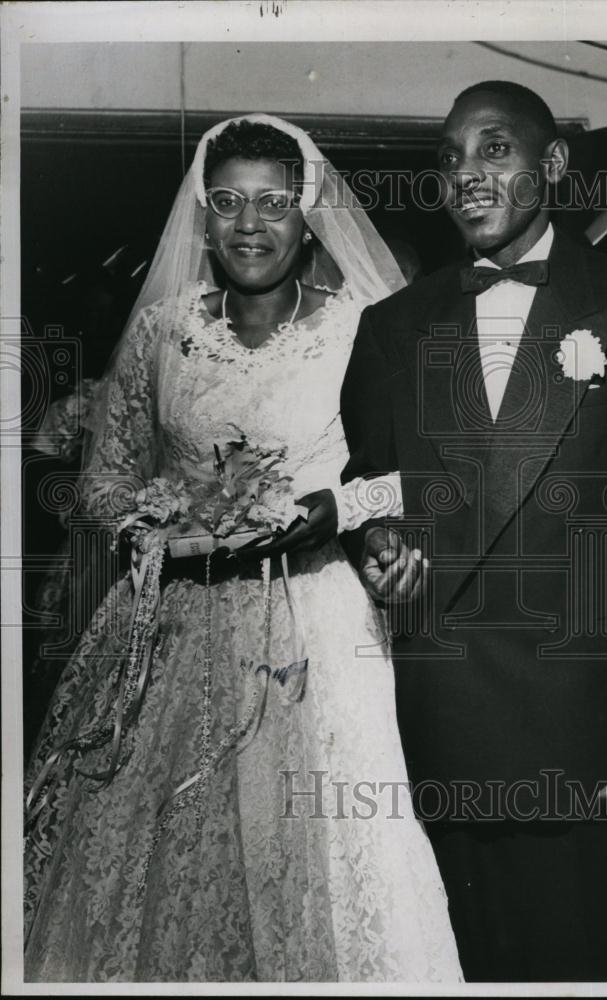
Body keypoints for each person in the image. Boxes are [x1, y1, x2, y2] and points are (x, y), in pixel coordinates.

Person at [24, 114, 463, 984]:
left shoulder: (363, 326)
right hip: (169, 623)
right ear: (202, 215)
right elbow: (101, 481)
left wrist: (330, 511)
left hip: (316, 622)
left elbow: (417, 476)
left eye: (271, 201)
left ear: (307, 212)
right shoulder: (162, 333)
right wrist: (155, 522)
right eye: (227, 202)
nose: (249, 225)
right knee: (154, 846)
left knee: (310, 847)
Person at [339, 81, 607, 982]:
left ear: (551, 164)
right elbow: (370, 487)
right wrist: (377, 545)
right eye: (448, 158)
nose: (466, 174)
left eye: (494, 149)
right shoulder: (391, 327)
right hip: (438, 732)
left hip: (590, 739)